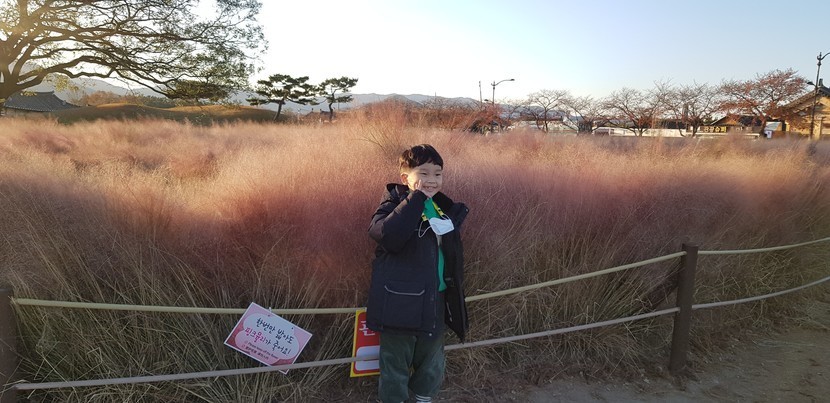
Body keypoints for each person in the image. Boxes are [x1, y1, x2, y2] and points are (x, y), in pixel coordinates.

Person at [367, 144, 470, 403]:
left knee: (432, 360)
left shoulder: (442, 208)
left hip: (436, 297)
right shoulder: (393, 203)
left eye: (438, 174)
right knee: (395, 362)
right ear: (405, 178)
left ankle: (424, 398)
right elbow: (386, 236)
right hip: (398, 301)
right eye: (423, 173)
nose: (432, 180)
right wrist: (416, 199)